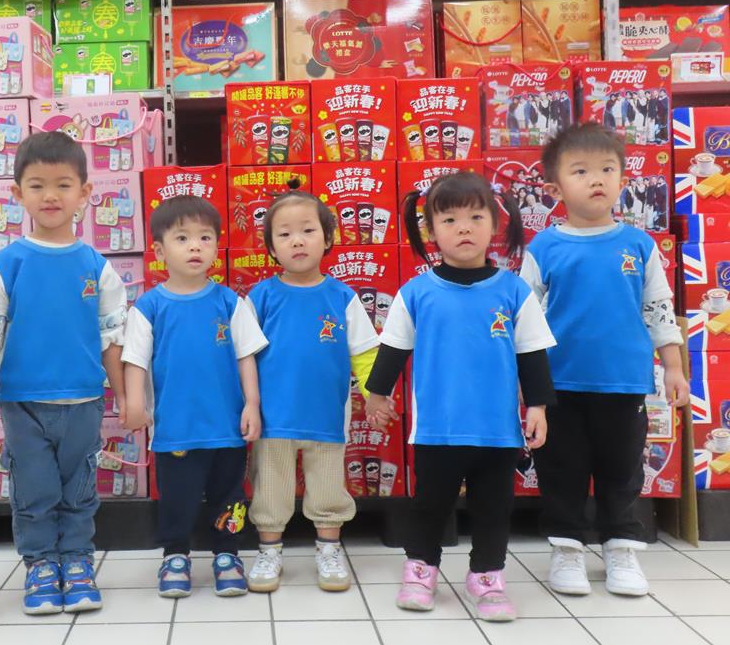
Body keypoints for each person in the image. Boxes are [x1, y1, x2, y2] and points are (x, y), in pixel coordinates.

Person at [365, 171, 556, 623]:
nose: (464, 228)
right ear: (431, 231)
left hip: (498, 430)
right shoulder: (416, 292)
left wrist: (538, 407)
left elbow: (532, 353)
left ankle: (487, 575)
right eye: (449, 220)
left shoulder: (514, 291)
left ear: (496, 225)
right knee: (430, 505)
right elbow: (393, 348)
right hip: (437, 427)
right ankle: (420, 570)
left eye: (476, 217)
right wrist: (376, 395)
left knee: (494, 508)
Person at [521, 124, 689, 599]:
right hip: (559, 384)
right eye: (580, 171)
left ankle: (621, 547)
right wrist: (523, 381)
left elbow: (658, 308)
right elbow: (524, 319)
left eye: (607, 170)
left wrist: (673, 367)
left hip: (624, 382)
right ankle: (567, 548)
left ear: (622, 180)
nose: (596, 179)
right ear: (555, 189)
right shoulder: (544, 248)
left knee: (622, 470)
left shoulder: (639, 245)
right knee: (561, 469)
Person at [0, 131, 126, 615]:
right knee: (34, 488)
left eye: (63, 185)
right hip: (23, 401)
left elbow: (112, 338)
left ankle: (77, 561)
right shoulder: (5, 265)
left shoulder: (98, 267)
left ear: (85, 192)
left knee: (80, 487)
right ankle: (39, 564)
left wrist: (126, 396)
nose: (50, 196)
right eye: (37, 185)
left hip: (84, 400)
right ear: (17, 193)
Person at [122, 196, 268, 598]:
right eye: (182, 238)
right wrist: (134, 402)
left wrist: (252, 404)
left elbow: (246, 356)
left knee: (229, 495)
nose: (195, 247)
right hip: (175, 428)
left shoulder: (229, 302)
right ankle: (175, 555)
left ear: (217, 246)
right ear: (159, 251)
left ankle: (227, 554)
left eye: (205, 238)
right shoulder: (149, 307)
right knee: (177, 497)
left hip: (227, 426)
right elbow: (134, 359)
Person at [243, 191, 382, 594]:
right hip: (273, 418)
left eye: (308, 230)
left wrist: (374, 394)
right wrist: (246, 403)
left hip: (327, 414)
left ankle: (329, 549)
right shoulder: (261, 297)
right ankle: (269, 552)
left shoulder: (342, 297)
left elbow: (364, 352)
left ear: (328, 238)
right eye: (285, 234)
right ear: (271, 247)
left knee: (327, 487)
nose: (298, 241)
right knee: (270, 489)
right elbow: (243, 355)